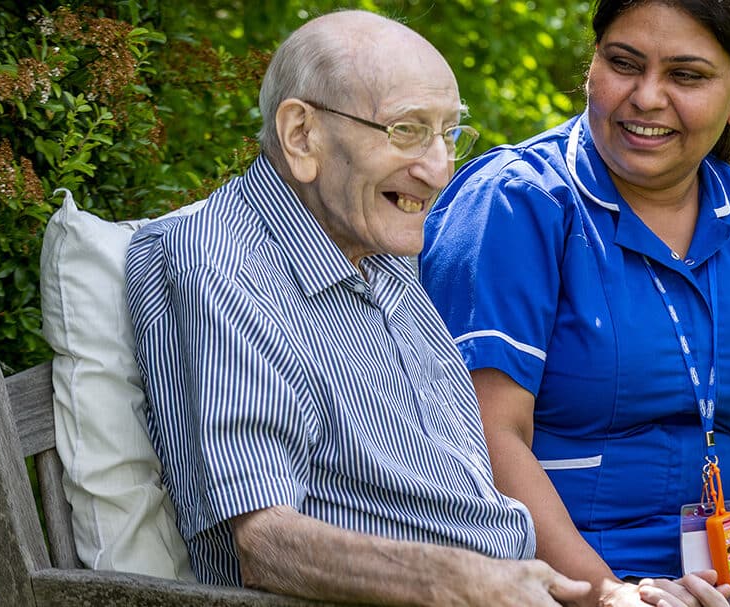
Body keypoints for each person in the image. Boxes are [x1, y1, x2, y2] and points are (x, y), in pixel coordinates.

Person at [419, 1, 730, 606]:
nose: (647, 97)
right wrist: (607, 594)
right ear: (592, 66)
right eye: (623, 63)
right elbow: (484, 438)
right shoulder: (517, 204)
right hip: (555, 572)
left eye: (685, 75)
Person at [124, 10, 611, 606]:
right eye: (407, 130)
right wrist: (459, 581)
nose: (439, 171)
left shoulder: (378, 244)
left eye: (449, 134)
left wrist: (608, 598)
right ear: (301, 135)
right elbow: (262, 543)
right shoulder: (222, 263)